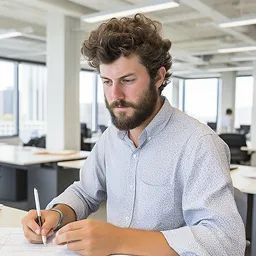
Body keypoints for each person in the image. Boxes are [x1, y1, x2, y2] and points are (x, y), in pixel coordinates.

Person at [22, 14, 245, 255]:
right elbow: (85, 192)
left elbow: (225, 241)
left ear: (158, 77)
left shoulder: (199, 144)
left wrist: (119, 240)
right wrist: (56, 213)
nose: (115, 94)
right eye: (107, 81)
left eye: (127, 80)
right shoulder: (111, 137)